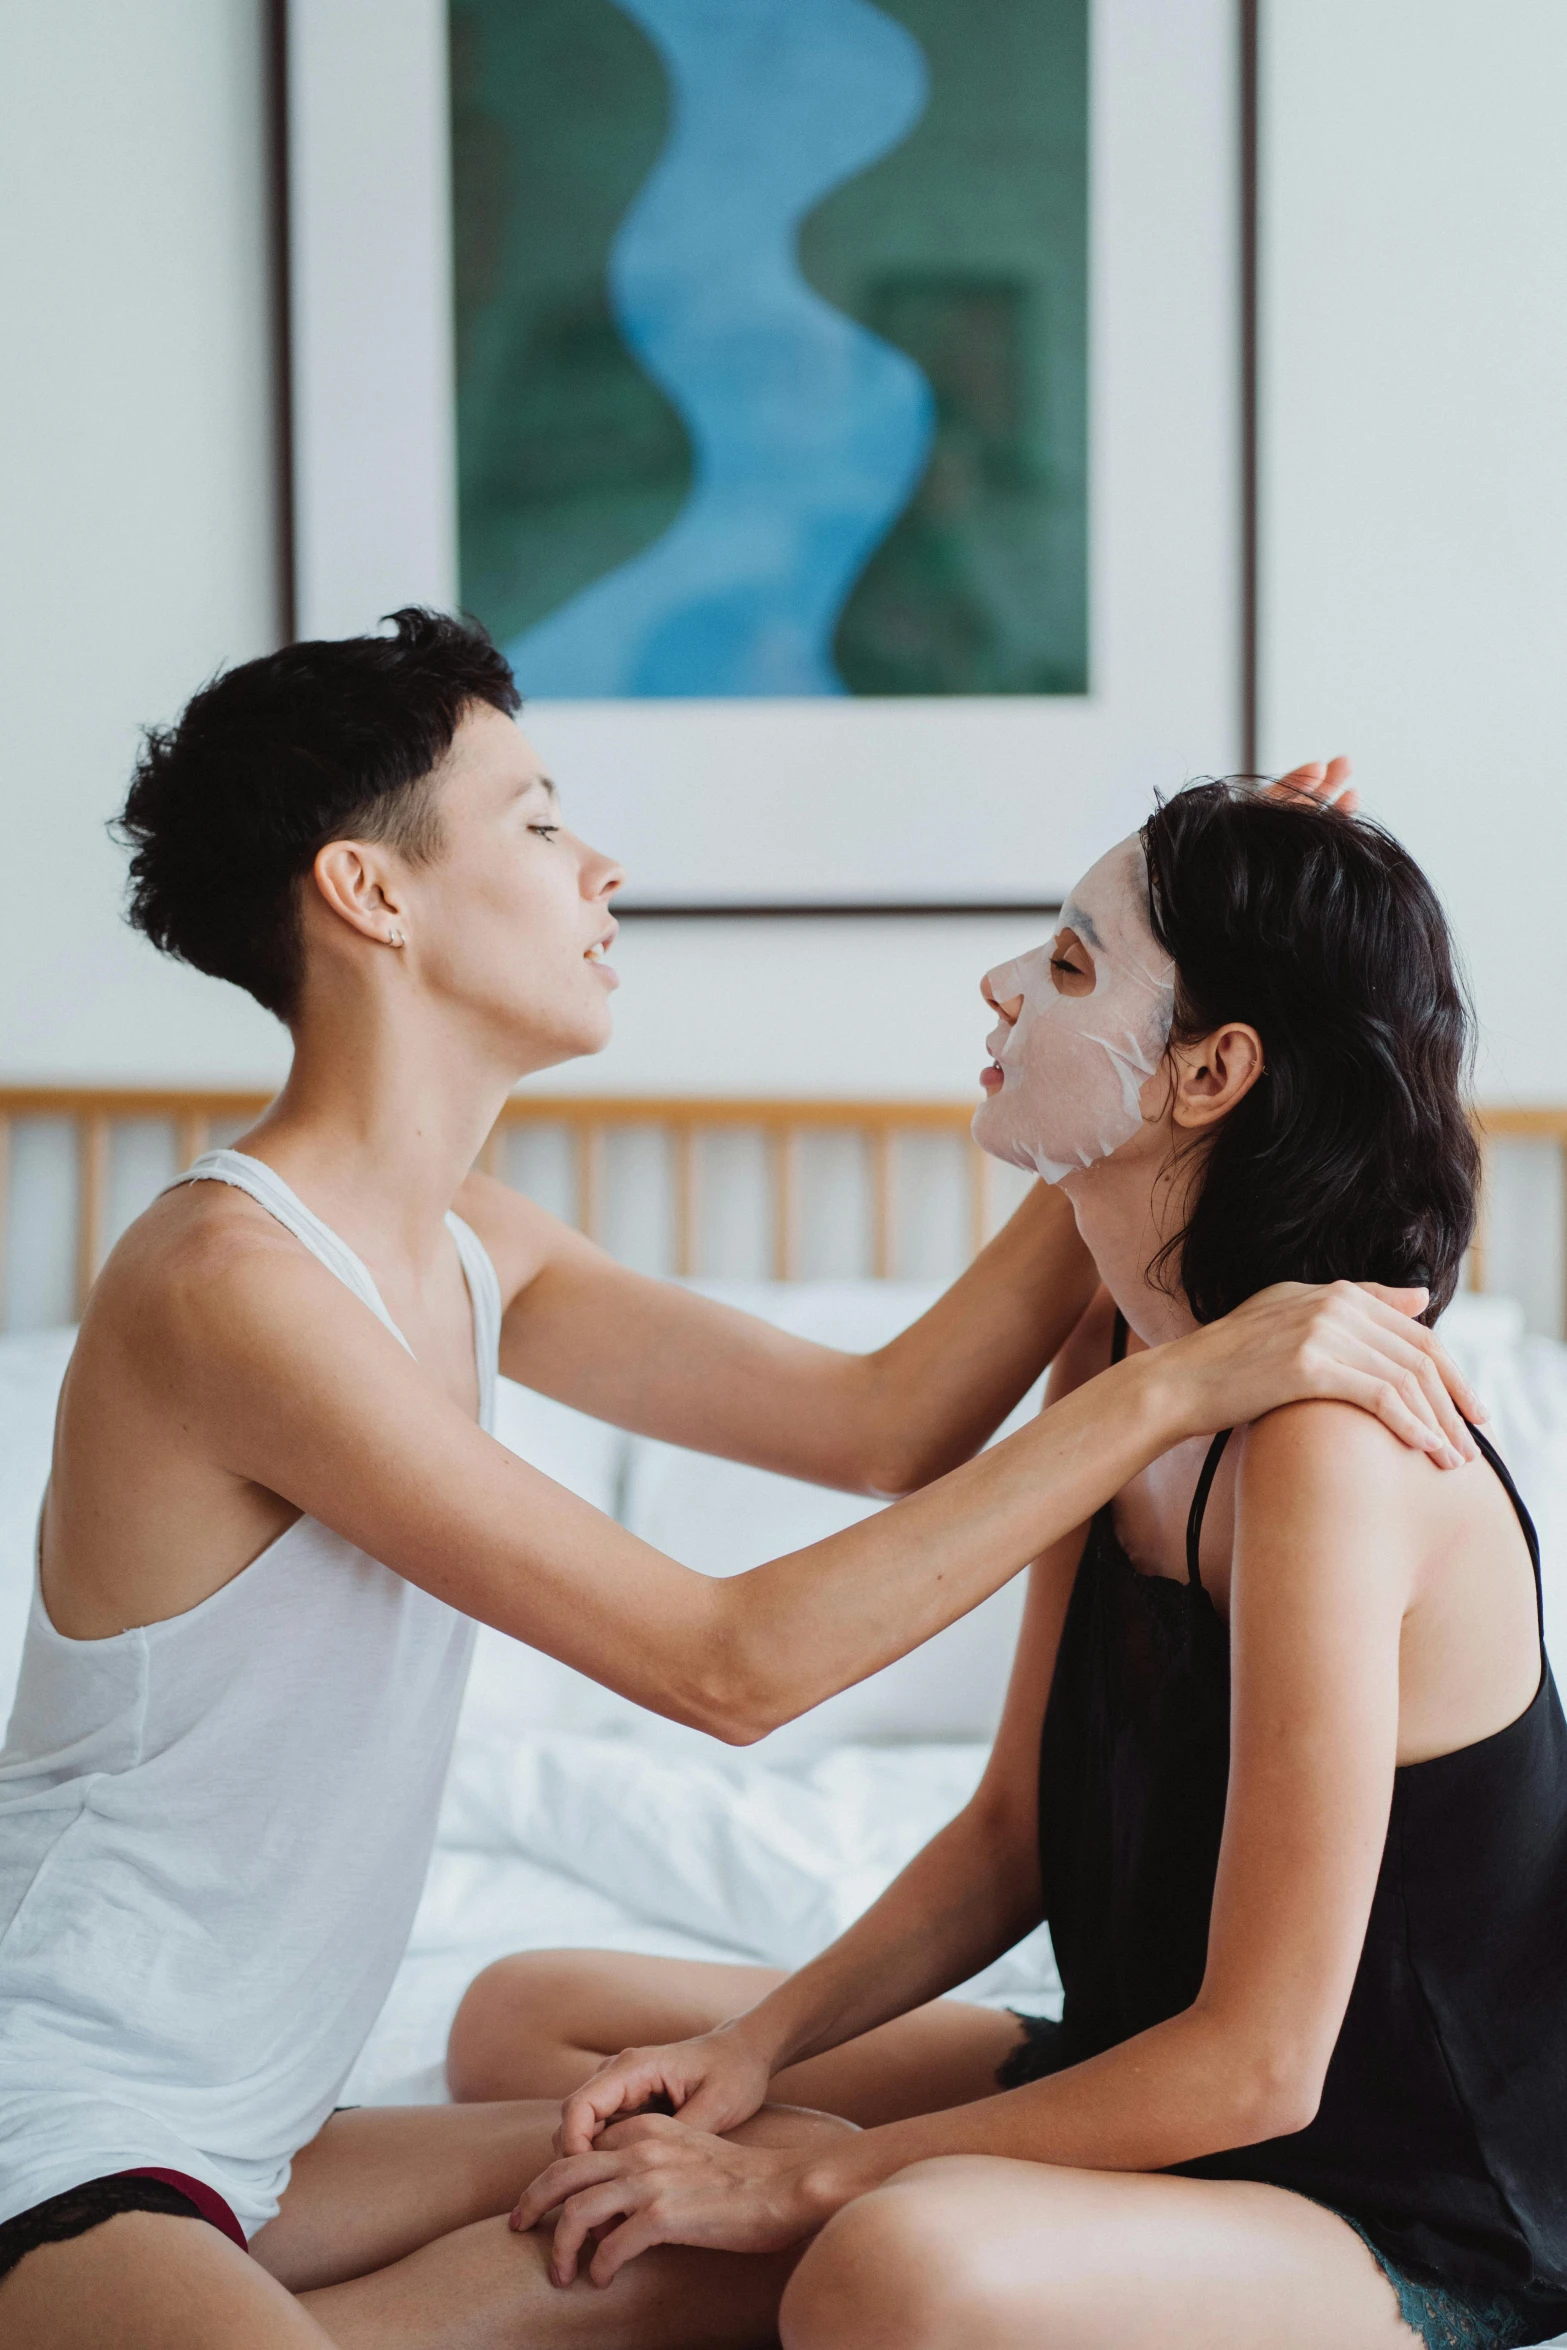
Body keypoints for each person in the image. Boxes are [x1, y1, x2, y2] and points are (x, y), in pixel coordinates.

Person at [0, 613, 1481, 2350]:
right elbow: (728, 1663)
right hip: (74, 2121)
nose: (599, 861)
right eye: (540, 821)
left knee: (763, 2161)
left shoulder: (470, 1244)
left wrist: (1201, 1039)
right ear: (371, 893)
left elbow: (888, 1420)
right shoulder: (225, 1283)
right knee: (739, 2187)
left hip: (263, 2137)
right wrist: (1182, 1377)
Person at [460, 781, 1567, 2350]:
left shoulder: (1323, 1442)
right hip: (1141, 2061)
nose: (997, 987)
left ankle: (848, 2203)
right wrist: (757, 2054)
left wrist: (801, 2190)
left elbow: (1263, 2063)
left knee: (890, 2264)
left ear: (1208, 1071)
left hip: (1390, 2183)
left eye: (1061, 965)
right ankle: (834, 2172)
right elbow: (1011, 1834)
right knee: (525, 2019)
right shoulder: (1120, 1350)